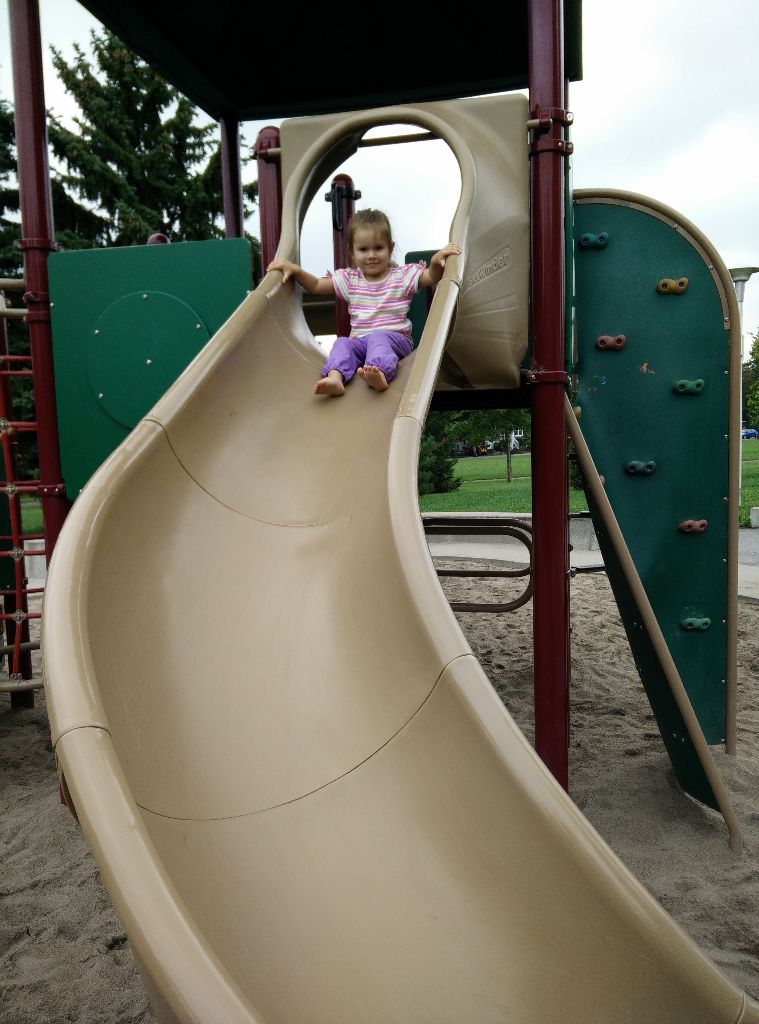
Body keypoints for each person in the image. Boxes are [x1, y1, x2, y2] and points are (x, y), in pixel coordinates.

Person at [267, 209, 461, 396]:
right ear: (352, 252)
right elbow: (317, 285)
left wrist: (435, 262)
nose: (371, 255)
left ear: (390, 248)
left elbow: (430, 277)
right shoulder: (351, 280)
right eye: (363, 249)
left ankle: (380, 373)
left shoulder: (401, 276)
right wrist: (296, 271)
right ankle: (336, 378)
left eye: (378, 248)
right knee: (343, 343)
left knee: (378, 337)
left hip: (395, 340)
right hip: (361, 343)